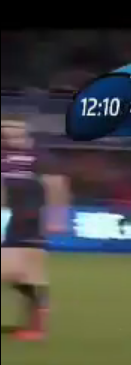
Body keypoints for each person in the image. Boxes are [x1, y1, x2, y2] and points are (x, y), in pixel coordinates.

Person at [1, 118, 69, 341]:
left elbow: (56, 186)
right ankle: (35, 318)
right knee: (15, 274)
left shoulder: (40, 157)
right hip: (10, 218)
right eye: (5, 129)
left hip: (32, 219)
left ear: (25, 131)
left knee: (30, 272)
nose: (9, 133)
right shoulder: (4, 156)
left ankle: (38, 327)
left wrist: (57, 218)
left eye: (14, 128)